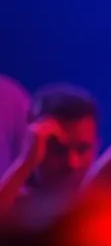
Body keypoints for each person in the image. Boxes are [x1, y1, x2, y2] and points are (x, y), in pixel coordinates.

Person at [0, 84, 101, 213]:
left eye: (82, 150)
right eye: (59, 150)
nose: (72, 163)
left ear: (97, 146)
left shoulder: (110, 206)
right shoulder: (16, 207)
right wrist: (26, 163)